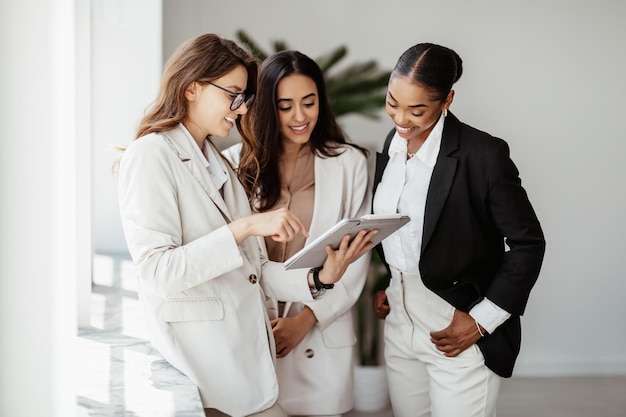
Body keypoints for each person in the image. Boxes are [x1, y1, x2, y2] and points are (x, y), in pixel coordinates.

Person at [117, 34, 374, 417]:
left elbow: (253, 271)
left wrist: (318, 281)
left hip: (242, 364)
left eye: (245, 98)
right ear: (192, 89)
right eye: (233, 95)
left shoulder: (216, 163)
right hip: (204, 364)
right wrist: (245, 228)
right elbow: (157, 271)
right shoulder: (151, 154)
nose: (241, 109)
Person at [371, 42, 546, 417]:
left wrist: (482, 321)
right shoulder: (392, 144)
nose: (400, 119)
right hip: (401, 327)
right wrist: (391, 284)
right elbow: (399, 227)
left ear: (447, 99)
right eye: (392, 102)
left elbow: (528, 244)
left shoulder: (484, 155)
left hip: (457, 326)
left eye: (416, 110)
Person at [225, 50, 371, 417]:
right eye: (285, 105)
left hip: (319, 338)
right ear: (264, 108)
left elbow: (355, 259)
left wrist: (305, 320)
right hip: (255, 330)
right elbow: (233, 253)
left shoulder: (349, 163)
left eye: (309, 102)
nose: (300, 116)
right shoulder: (237, 162)